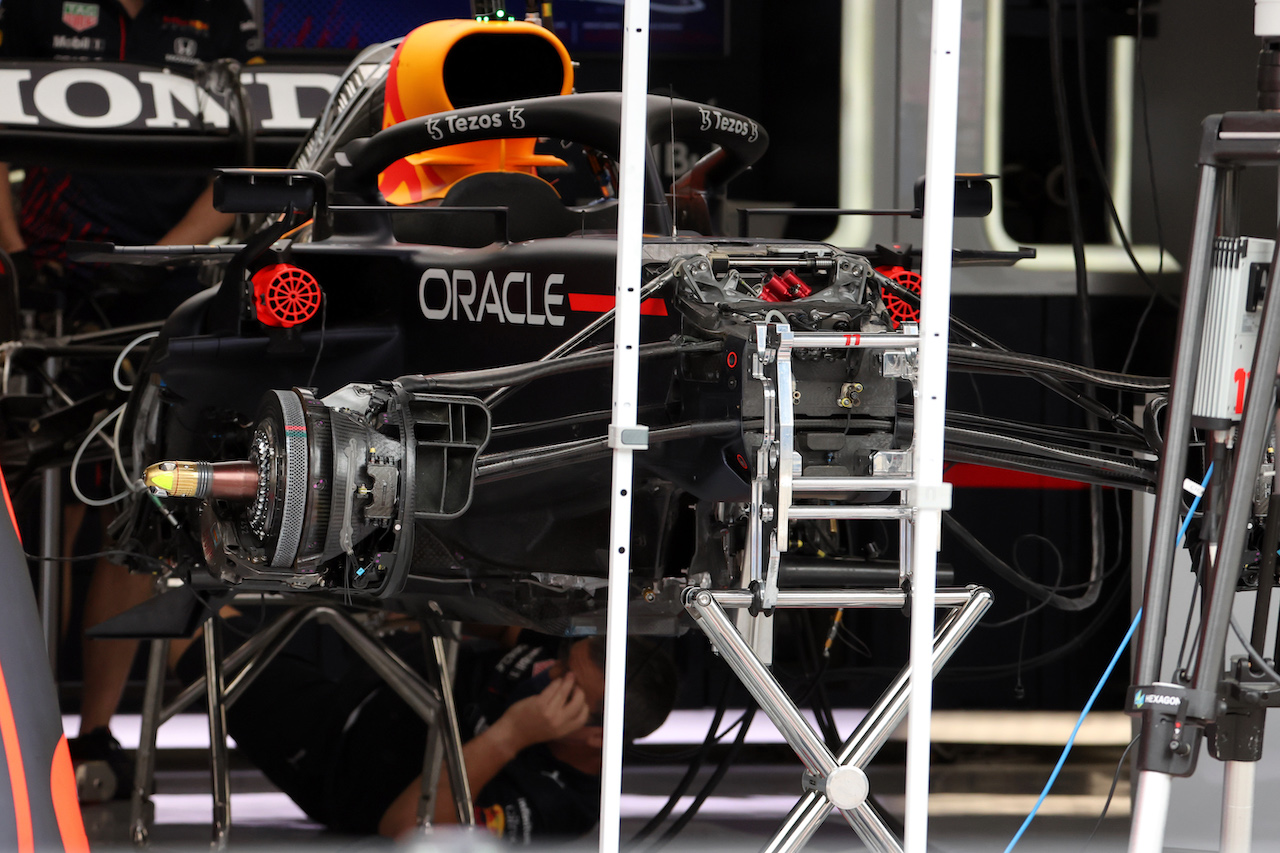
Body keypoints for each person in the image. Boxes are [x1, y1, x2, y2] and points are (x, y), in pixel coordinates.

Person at [0, 0, 259, 795]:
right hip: (40, 285)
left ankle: (96, 735)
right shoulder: (32, 6)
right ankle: (17, 720)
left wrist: (162, 259)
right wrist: (14, 257)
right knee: (24, 502)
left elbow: (247, 159)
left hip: (163, 294)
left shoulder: (218, 16)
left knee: (133, 503)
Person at [173, 620, 679, 843]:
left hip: (337, 746)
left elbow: (408, 828)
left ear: (598, 736)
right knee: (224, 592)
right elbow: (501, 628)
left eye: (565, 688)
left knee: (193, 637)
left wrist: (511, 736)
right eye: (559, 660)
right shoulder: (562, 657)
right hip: (367, 653)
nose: (545, 672)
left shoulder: (561, 806)